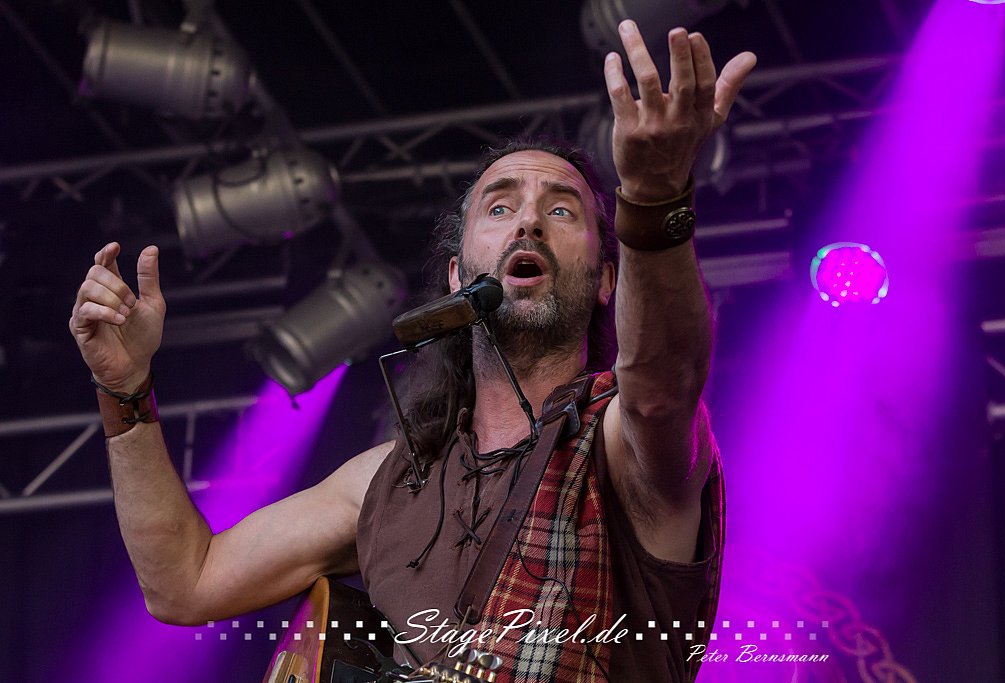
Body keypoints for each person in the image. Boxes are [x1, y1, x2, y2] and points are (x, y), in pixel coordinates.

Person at [69, 20, 755, 683]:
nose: (528, 220)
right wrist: (125, 388)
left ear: (607, 280)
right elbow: (184, 582)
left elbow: (662, 386)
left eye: (561, 210)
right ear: (458, 275)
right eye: (499, 207)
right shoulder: (389, 482)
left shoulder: (623, 444)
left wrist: (654, 196)